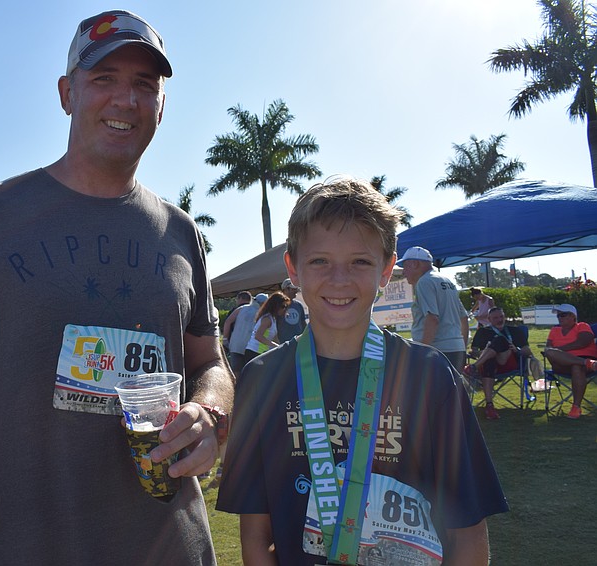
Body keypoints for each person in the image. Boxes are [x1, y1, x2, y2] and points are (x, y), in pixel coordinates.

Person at [0, 10, 235, 565]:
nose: (125, 100)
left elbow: (212, 363)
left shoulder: (182, 233)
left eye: (144, 85)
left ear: (161, 104)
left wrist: (209, 411)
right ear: (66, 93)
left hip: (173, 547)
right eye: (104, 79)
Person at [217, 177, 508, 565]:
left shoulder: (430, 376)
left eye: (360, 261)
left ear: (387, 270)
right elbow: (256, 537)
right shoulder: (261, 379)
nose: (340, 279)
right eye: (320, 260)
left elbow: (469, 529)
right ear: (294, 268)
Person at [398, 246, 469, 370]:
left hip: (438, 351)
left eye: (405, 266)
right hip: (457, 350)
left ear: (415, 264)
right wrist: (462, 347)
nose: (404, 272)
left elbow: (432, 319)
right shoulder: (447, 281)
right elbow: (464, 318)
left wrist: (422, 353)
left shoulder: (424, 282)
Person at [464, 307, 539, 420]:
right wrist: (485, 352)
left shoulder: (515, 331)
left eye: (501, 317)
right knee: (490, 359)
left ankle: (474, 367)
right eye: (495, 318)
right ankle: (490, 406)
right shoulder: (483, 331)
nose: (499, 320)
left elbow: (527, 351)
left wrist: (516, 349)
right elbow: (473, 352)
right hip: (489, 365)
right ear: (489, 319)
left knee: (500, 340)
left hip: (509, 362)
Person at [544, 303, 597, 419]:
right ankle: (587, 363)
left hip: (583, 360)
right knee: (550, 352)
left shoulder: (582, 326)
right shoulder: (554, 330)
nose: (559, 318)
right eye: (558, 316)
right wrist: (559, 352)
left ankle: (575, 407)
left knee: (576, 367)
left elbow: (583, 342)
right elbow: (548, 349)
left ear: (573, 316)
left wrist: (560, 349)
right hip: (562, 364)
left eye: (563, 315)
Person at [224, 293, 267, 376]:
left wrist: (225, 338)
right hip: (252, 348)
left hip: (236, 345)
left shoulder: (241, 309)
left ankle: (237, 388)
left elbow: (228, 321)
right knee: (250, 373)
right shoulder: (263, 313)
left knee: (236, 372)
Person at [243, 291, 290, 365]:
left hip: (262, 353)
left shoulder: (273, 319)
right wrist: (276, 346)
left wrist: (282, 349)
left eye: (286, 307)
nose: (284, 309)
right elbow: (258, 336)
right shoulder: (267, 319)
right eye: (283, 306)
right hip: (255, 352)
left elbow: (275, 338)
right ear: (275, 305)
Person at [277, 277, 306, 342]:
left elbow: (303, 323)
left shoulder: (298, 305)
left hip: (298, 343)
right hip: (283, 344)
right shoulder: (277, 305)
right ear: (286, 289)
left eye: (296, 289)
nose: (296, 291)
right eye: (293, 289)